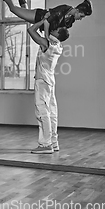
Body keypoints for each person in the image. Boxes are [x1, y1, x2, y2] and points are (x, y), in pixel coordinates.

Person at [0, 0, 92, 39]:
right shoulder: (64, 9)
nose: (81, 19)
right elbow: (47, 21)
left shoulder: (70, 22)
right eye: (81, 16)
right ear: (78, 10)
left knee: (24, 12)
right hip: (38, 16)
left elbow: (57, 30)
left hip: (40, 21)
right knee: (13, 9)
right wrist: (46, 37)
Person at [27, 17, 69, 154]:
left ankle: (46, 145)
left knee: (42, 112)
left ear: (58, 35)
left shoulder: (47, 44)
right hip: (50, 81)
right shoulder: (58, 46)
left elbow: (30, 29)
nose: (53, 30)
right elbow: (47, 33)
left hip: (42, 81)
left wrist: (44, 21)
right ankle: (54, 142)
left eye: (56, 30)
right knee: (52, 113)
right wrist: (47, 25)